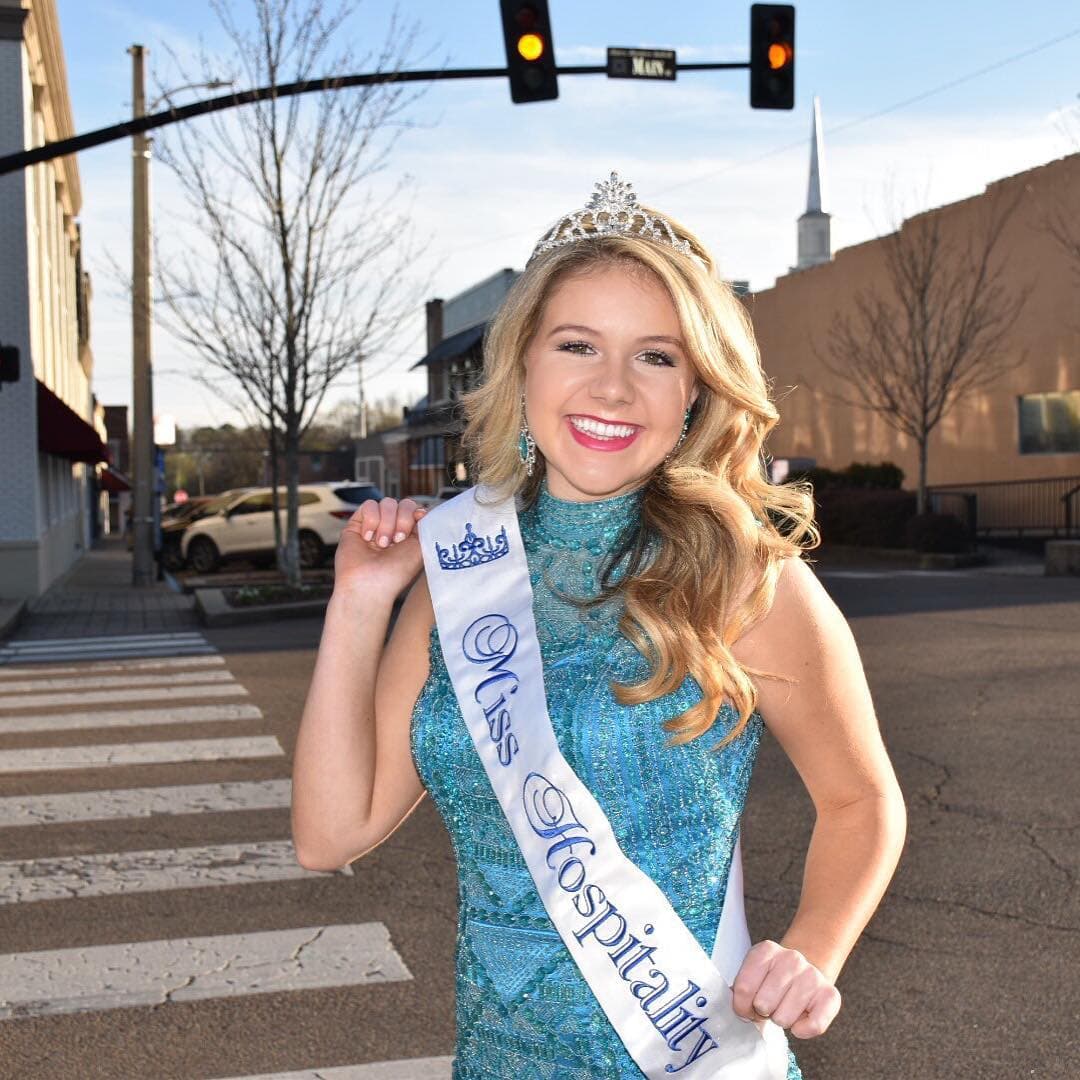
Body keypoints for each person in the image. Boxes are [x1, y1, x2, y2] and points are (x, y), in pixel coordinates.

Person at [292, 173, 907, 1079]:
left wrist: (812, 948)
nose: (613, 388)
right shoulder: (459, 572)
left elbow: (863, 803)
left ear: (696, 391)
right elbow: (329, 835)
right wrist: (359, 604)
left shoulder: (742, 581)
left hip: (687, 1055)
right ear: (525, 366)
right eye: (578, 345)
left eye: (655, 357)